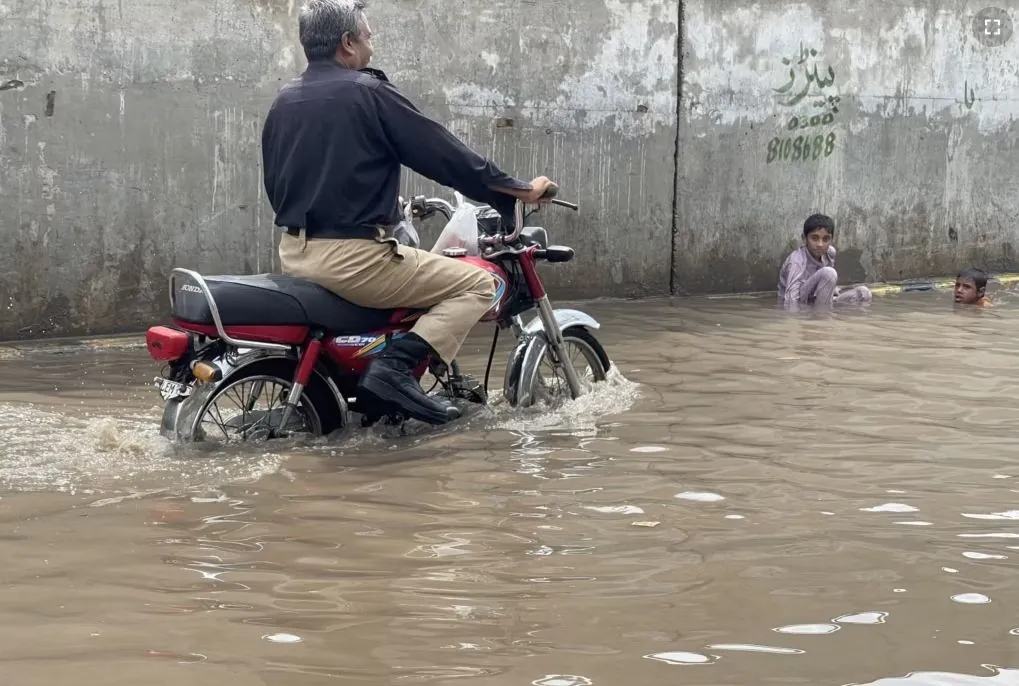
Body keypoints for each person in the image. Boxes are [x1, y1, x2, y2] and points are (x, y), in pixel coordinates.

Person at [261, 0, 556, 425]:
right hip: (355, 261)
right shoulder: (367, 93)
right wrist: (518, 190)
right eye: (368, 36)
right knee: (480, 283)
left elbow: (284, 182)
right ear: (347, 43)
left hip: (296, 252)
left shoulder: (284, 100)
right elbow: (444, 156)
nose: (371, 44)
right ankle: (395, 369)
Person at [777, 214, 872, 309]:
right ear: (804, 239)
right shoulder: (796, 261)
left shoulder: (830, 253)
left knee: (863, 293)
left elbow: (824, 283)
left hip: (820, 300)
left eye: (826, 239)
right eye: (814, 238)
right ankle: (822, 319)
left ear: (831, 239)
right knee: (829, 273)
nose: (820, 244)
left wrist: (832, 289)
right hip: (800, 303)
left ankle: (826, 314)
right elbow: (790, 302)